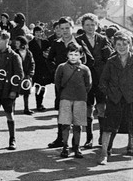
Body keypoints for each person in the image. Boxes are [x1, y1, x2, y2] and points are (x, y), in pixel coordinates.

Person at [46, 17, 94, 148]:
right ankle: (60, 139)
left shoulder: (79, 42)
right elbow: (49, 60)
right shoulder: (56, 43)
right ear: (58, 30)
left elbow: (90, 60)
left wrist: (80, 70)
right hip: (63, 85)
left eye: (67, 28)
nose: (65, 31)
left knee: (81, 112)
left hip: (79, 85)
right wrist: (56, 72)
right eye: (62, 29)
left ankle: (82, 140)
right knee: (63, 111)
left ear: (72, 28)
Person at [79, 13, 113, 148]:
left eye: (93, 24)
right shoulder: (78, 40)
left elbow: (109, 58)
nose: (90, 27)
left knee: (101, 108)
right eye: (87, 25)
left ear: (97, 26)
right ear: (83, 26)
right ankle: (89, 138)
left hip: (101, 78)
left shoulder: (103, 39)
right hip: (85, 78)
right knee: (88, 108)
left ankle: (101, 137)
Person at [98, 31, 133, 164]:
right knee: (108, 128)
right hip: (114, 100)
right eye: (118, 44)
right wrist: (111, 94)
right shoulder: (111, 61)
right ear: (114, 46)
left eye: (125, 44)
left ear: (129, 45)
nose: (122, 47)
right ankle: (104, 154)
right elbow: (103, 82)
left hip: (130, 99)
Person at [55, 42, 92, 158]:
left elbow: (88, 84)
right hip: (65, 98)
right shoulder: (61, 67)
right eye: (71, 54)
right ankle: (65, 146)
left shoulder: (85, 69)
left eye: (76, 54)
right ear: (67, 55)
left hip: (80, 98)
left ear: (81, 55)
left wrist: (81, 93)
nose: (73, 57)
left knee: (78, 124)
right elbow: (57, 82)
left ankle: (77, 146)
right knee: (65, 123)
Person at [28, 26, 52, 111]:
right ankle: (34, 104)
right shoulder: (30, 43)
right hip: (35, 66)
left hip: (44, 67)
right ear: (34, 33)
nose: (38, 34)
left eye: (40, 32)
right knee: (35, 85)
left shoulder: (46, 42)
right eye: (37, 32)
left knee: (42, 86)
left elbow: (50, 52)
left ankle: (40, 103)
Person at [13, 36, 35, 115]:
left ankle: (26, 108)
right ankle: (12, 109)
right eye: (16, 43)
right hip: (17, 75)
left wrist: (30, 74)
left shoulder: (28, 53)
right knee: (15, 92)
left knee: (27, 93)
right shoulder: (15, 52)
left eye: (18, 43)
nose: (16, 45)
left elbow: (32, 64)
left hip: (27, 76)